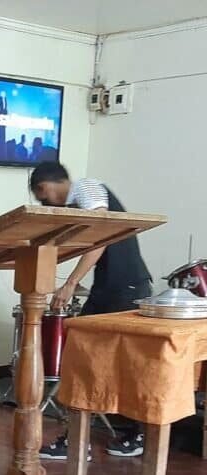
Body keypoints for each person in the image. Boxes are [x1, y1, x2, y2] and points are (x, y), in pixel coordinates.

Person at [30, 161, 153, 458]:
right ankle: (80, 437)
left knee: (97, 362)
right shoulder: (77, 205)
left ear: (47, 185)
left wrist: (71, 282)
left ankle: (125, 436)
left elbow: (102, 235)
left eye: (42, 195)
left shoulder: (86, 187)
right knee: (84, 362)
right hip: (111, 290)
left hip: (124, 290)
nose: (45, 201)